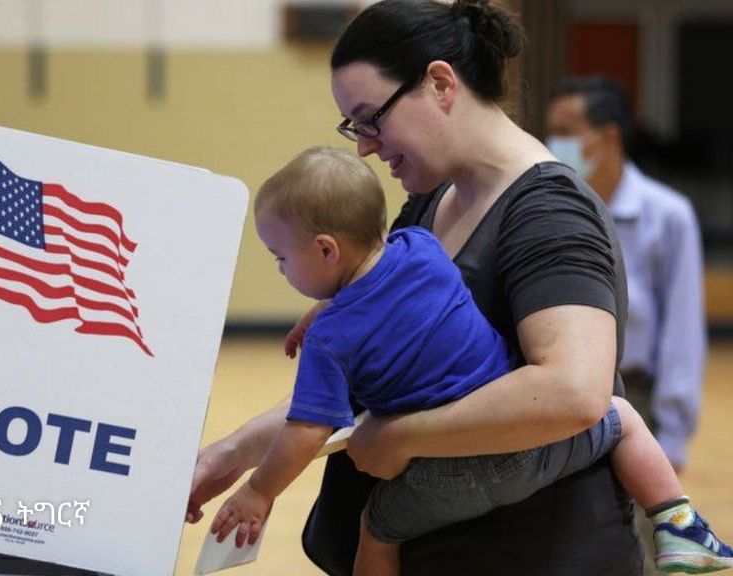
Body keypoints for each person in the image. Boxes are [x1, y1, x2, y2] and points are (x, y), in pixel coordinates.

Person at [186, 1, 641, 573]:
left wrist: (403, 437)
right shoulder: (430, 202)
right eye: (354, 127)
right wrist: (229, 456)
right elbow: (345, 385)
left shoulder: (548, 212)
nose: (364, 146)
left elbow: (573, 391)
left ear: (440, 84)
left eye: (370, 118)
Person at [206, 147, 732, 575]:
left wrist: (257, 491)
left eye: (281, 257)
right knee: (623, 417)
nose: (279, 269)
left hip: (448, 471)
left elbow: (306, 430)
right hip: (528, 439)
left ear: (326, 250)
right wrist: (326, 306)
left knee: (378, 527)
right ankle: (679, 524)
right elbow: (381, 286)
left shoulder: (331, 341)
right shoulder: (420, 246)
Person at [545, 74, 710, 576]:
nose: (554, 144)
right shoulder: (551, 208)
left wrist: (673, 435)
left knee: (644, 547)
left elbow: (682, 333)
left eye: (566, 131)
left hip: (637, 401)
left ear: (608, 135)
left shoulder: (667, 215)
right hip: (562, 400)